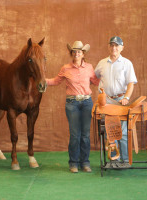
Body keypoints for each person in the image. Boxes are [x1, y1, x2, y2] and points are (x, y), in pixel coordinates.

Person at [46, 41, 99, 173]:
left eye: (79, 52)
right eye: (74, 51)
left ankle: (85, 162)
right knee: (75, 134)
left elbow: (96, 81)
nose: (76, 53)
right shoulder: (65, 68)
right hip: (72, 104)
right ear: (71, 53)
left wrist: (106, 76)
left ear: (83, 54)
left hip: (87, 102)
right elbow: (55, 81)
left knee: (85, 135)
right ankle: (73, 163)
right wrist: (42, 80)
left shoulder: (89, 67)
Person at [94, 36, 137, 167]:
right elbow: (95, 77)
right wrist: (100, 91)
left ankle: (124, 160)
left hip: (120, 101)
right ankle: (113, 160)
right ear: (108, 47)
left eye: (117, 45)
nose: (114, 48)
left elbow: (131, 83)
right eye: (112, 45)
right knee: (109, 131)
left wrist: (126, 98)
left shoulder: (127, 63)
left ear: (122, 47)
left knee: (122, 132)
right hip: (106, 101)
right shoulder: (101, 63)